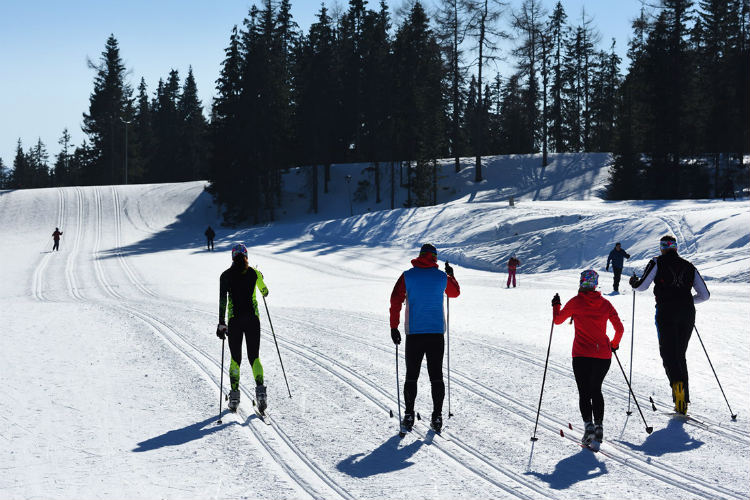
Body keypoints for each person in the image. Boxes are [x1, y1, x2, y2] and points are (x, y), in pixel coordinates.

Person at [629, 235, 710, 415]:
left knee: (668, 354)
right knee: (680, 354)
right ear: (676, 248)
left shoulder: (657, 262)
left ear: (662, 248)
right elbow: (705, 295)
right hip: (687, 312)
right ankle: (683, 401)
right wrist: (686, 301)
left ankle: (678, 392)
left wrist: (633, 283)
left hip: (666, 311)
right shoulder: (689, 266)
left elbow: (641, 287)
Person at [390, 243, 460, 433]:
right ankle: (437, 417)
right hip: (436, 333)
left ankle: (409, 414)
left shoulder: (407, 276)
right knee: (436, 376)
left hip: (414, 334)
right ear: (435, 258)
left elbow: (395, 300)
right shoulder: (441, 277)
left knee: (411, 376)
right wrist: (451, 275)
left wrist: (393, 326)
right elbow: (454, 293)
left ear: (420, 256)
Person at [552, 270, 624, 448]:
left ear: (581, 283)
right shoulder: (605, 304)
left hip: (582, 355)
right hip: (603, 355)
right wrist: (614, 344)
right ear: (595, 284)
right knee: (596, 390)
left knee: (584, 392)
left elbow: (558, 320)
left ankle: (588, 428)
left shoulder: (576, 302)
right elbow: (620, 329)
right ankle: (598, 426)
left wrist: (556, 305)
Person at [216, 243, 270, 414]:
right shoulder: (254, 273)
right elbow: (265, 292)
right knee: (254, 356)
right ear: (246, 256)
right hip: (253, 319)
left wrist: (221, 322)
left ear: (232, 257)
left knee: (235, 358)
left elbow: (223, 301)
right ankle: (261, 393)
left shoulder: (225, 276)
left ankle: (234, 397)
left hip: (234, 321)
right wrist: (261, 278)